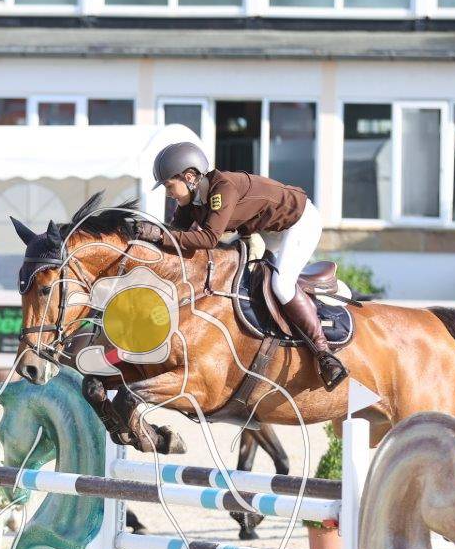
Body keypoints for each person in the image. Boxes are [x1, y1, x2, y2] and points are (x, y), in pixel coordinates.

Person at [134, 141, 347, 390]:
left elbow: (208, 238)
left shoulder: (223, 189)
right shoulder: (191, 200)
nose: (169, 193)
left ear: (189, 177)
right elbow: (176, 236)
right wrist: (145, 239)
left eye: (170, 186)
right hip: (267, 230)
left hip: (297, 221)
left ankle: (324, 353)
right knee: (247, 282)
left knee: (281, 285)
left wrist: (160, 235)